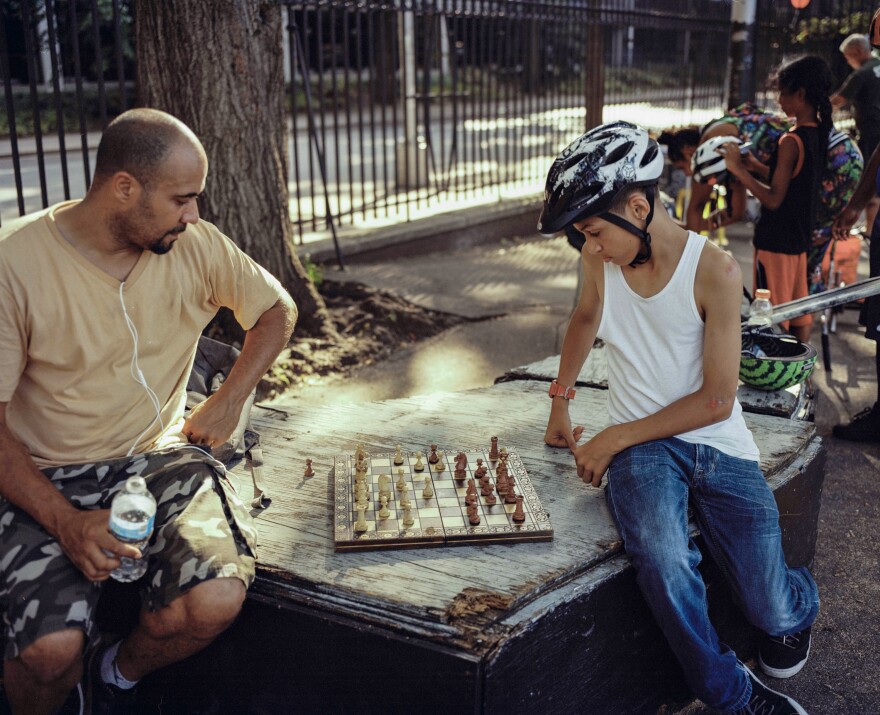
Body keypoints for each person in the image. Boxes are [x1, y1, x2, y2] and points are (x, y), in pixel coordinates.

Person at [0, 108, 297, 714]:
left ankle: (112, 676)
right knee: (48, 654)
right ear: (124, 187)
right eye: (182, 199)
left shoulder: (198, 245)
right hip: (41, 475)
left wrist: (228, 397)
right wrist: (66, 523)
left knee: (211, 603)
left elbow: (276, 311)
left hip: (158, 460)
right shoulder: (13, 264)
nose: (194, 216)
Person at [539, 121, 817, 715]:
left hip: (716, 438)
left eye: (592, 231)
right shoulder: (600, 261)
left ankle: (799, 608)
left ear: (638, 206)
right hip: (644, 451)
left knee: (769, 605)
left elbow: (718, 399)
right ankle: (731, 694)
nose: (590, 246)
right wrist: (561, 400)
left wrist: (612, 436)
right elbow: (585, 318)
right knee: (663, 563)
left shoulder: (713, 269)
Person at [721, 55, 835, 343]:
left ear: (800, 94)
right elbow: (794, 181)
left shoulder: (790, 141)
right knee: (799, 313)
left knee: (772, 316)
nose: (779, 99)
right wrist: (756, 167)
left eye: (783, 93)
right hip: (798, 241)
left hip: (776, 242)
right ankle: (802, 371)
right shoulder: (817, 133)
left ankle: (779, 370)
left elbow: (773, 199)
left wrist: (737, 170)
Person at [831, 33, 880, 233]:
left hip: (871, 132)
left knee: (870, 178)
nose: (847, 60)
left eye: (847, 56)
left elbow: (839, 100)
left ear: (858, 51)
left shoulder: (862, 73)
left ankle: (869, 229)